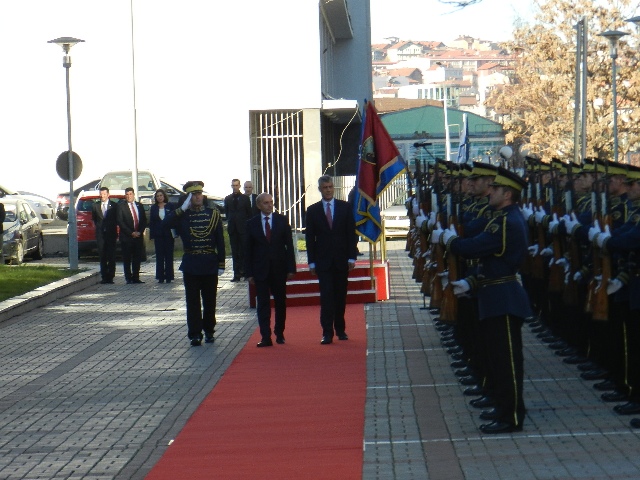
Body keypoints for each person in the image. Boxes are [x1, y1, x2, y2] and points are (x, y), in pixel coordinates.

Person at [432, 166, 532, 434]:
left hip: (504, 299)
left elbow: (474, 248)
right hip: (495, 295)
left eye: (496, 189)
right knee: (498, 360)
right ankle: (503, 409)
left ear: (507, 194)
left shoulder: (505, 222)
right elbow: (492, 264)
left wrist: (449, 240)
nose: (491, 193)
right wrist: (471, 282)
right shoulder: (502, 218)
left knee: (507, 362)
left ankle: (511, 416)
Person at [164, 181, 226, 346]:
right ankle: (195, 334)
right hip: (191, 264)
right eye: (194, 195)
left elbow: (220, 241)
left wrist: (221, 263)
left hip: (209, 263)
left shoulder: (213, 214)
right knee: (192, 302)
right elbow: (164, 225)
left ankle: (209, 331)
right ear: (188, 197)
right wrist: (181, 209)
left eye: (199, 194)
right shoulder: (182, 215)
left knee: (210, 300)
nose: (198, 197)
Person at [305, 175, 358, 344]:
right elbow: (310, 239)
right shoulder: (312, 211)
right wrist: (311, 262)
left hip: (342, 260)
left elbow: (351, 234)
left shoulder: (345, 207)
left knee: (340, 296)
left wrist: (352, 257)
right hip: (323, 261)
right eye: (325, 187)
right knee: (326, 297)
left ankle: (340, 329)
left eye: (330, 187)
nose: (328, 190)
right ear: (320, 189)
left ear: (333, 188)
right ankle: (327, 332)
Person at [245, 193, 297, 347]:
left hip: (279, 269)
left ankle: (279, 333)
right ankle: (265, 336)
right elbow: (247, 250)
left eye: (271, 202)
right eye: (266, 203)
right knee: (263, 303)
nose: (269, 205)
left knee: (280, 302)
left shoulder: (282, 221)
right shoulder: (251, 224)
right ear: (259, 205)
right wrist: (248, 273)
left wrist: (291, 268)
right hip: (260, 270)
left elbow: (289, 246)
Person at [117, 187, 148, 284]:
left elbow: (143, 220)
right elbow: (120, 222)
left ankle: (136, 277)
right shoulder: (121, 207)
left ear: (134, 195)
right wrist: (131, 233)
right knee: (127, 258)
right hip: (127, 237)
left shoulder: (139, 205)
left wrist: (139, 231)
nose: (129, 196)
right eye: (127, 194)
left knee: (137, 258)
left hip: (138, 237)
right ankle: (128, 278)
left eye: (130, 194)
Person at [224, 178, 252, 281]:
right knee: (235, 252)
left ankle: (245, 272)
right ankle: (236, 274)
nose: (235, 187)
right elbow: (227, 213)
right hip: (233, 229)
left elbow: (249, 213)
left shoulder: (245, 198)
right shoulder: (228, 198)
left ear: (239, 186)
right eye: (233, 185)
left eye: (236, 185)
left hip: (243, 229)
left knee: (244, 251)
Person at [91, 187, 119, 284]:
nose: (102, 196)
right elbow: (94, 219)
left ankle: (111, 276)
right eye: (101, 194)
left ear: (108, 194)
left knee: (111, 256)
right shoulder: (96, 206)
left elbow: (117, 219)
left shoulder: (114, 206)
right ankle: (104, 276)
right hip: (101, 235)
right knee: (102, 256)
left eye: (104, 194)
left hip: (111, 234)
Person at [149, 189, 176, 284]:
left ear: (164, 196)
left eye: (161, 195)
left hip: (169, 235)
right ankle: (160, 276)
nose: (159, 197)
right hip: (158, 235)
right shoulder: (153, 208)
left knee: (169, 256)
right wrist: (152, 235)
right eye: (157, 196)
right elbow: (151, 222)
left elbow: (174, 219)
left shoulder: (170, 206)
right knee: (160, 257)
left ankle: (169, 276)